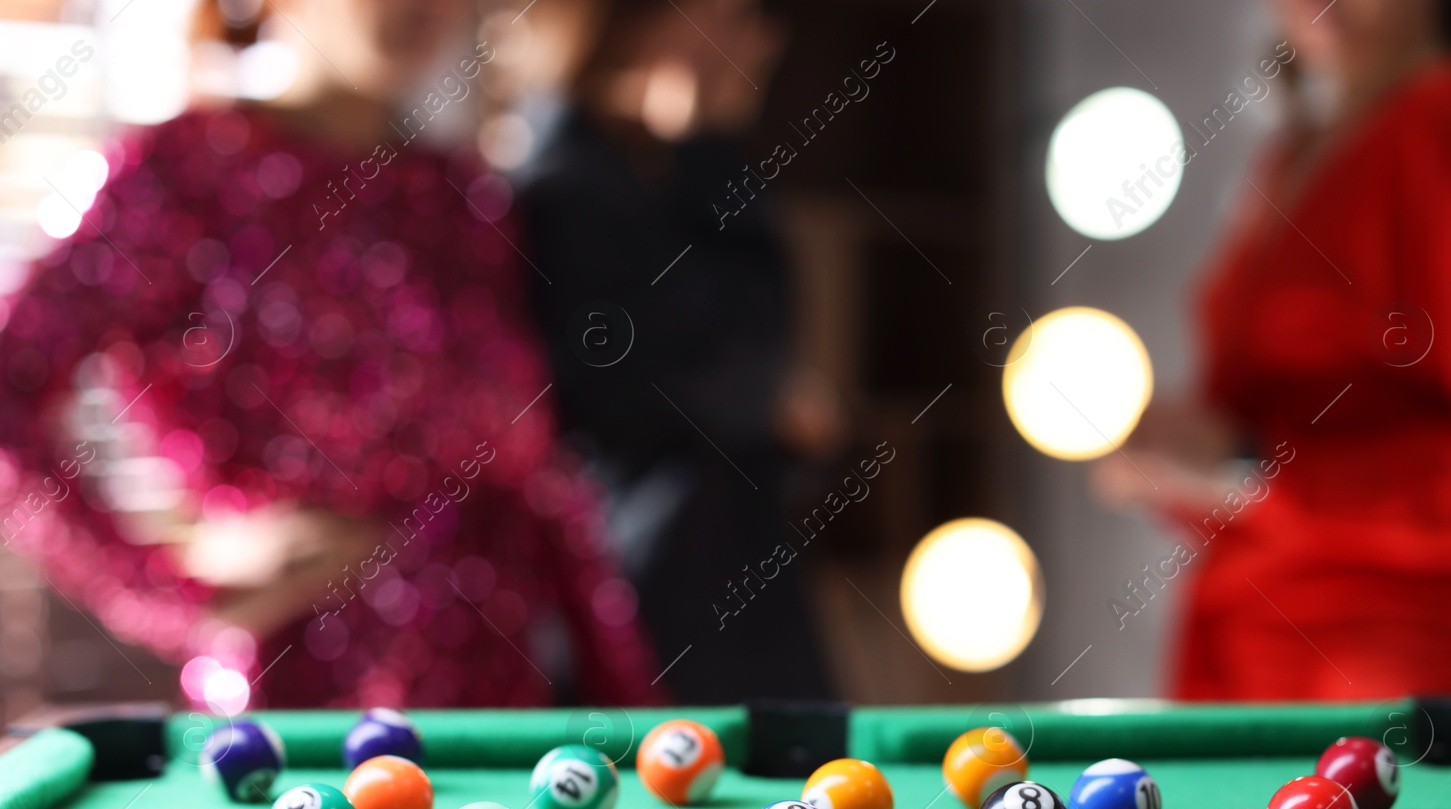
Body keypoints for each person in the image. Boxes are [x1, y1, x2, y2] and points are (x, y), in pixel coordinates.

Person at [0, 0, 660, 709]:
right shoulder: (183, 175)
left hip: (498, 714)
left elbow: (537, 475)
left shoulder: (465, 196)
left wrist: (622, 690)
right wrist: (164, 586)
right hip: (299, 717)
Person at [1094, 0, 1451, 699]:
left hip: (1374, 680)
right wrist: (1177, 465)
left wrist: (1252, 467)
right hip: (1235, 661)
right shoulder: (1294, 152)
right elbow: (1256, 446)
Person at [514, 0, 839, 703]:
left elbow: (746, 362)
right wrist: (709, 144)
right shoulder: (558, 185)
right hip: (643, 613)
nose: (760, 40)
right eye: (733, 13)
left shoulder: (647, 167)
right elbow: (732, 373)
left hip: (720, 591)